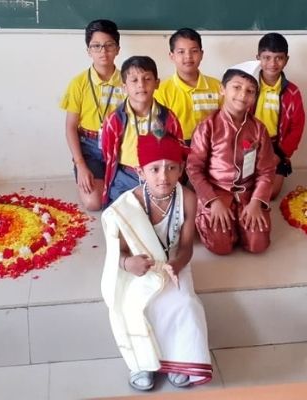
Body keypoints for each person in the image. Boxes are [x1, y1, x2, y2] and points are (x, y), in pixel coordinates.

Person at [101, 133, 212, 391]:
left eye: (171, 168)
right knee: (135, 304)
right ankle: (142, 362)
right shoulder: (126, 206)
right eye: (155, 169)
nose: (164, 176)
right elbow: (116, 254)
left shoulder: (187, 198)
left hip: (174, 264)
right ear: (141, 171)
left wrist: (177, 265)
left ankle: (178, 360)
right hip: (139, 268)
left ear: (181, 170)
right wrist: (129, 265)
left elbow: (186, 247)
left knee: (185, 303)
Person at [186, 63, 278, 255]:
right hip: (216, 192)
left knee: (258, 245)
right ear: (222, 89)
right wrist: (213, 201)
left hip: (248, 193)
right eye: (236, 87)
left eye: (250, 91)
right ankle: (210, 218)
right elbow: (194, 169)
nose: (243, 95)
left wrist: (256, 203)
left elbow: (266, 170)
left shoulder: (259, 129)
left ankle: (240, 225)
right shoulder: (207, 126)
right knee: (220, 247)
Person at [60, 19, 126, 211]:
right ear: (88, 51)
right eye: (96, 46)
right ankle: (95, 177)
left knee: (132, 197)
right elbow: (70, 127)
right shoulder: (78, 83)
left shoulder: (128, 81)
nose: (103, 51)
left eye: (109, 45)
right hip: (89, 147)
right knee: (94, 203)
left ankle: (110, 179)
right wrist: (81, 165)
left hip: (120, 146)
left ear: (117, 49)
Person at [100, 56, 184, 207]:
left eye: (147, 79)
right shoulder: (114, 119)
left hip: (159, 176)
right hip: (126, 176)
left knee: (168, 212)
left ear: (157, 83)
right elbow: (108, 153)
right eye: (134, 80)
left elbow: (178, 151)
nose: (141, 85)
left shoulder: (168, 118)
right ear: (124, 87)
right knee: (121, 213)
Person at [253, 33, 306, 200]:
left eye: (279, 58)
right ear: (258, 58)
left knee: (271, 193)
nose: (272, 63)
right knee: (238, 183)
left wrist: (279, 155)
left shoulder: (293, 92)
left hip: (276, 146)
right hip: (249, 144)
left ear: (286, 60)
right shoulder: (248, 86)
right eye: (267, 57)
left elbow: (297, 128)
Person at [154, 28, 222, 144]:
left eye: (194, 51)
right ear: (172, 56)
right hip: (176, 146)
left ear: (201, 54)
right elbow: (158, 129)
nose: (188, 56)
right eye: (181, 52)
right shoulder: (161, 90)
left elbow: (225, 122)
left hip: (211, 146)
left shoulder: (217, 86)